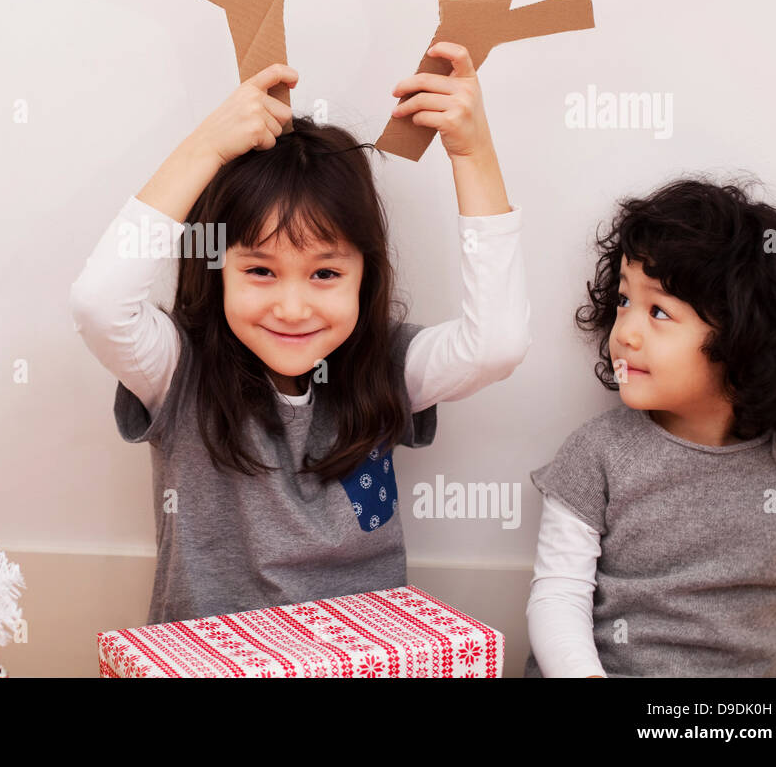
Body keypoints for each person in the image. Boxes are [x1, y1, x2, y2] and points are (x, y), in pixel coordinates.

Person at [69, 43, 532, 625]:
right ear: (215, 268)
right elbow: (97, 303)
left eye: (325, 274)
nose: (292, 307)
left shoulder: (385, 363)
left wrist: (474, 154)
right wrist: (204, 149)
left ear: (365, 276)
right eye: (260, 271)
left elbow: (497, 344)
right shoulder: (177, 369)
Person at [525, 177, 776, 677]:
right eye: (623, 301)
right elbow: (557, 599)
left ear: (746, 340)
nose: (625, 333)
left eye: (658, 310)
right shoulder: (598, 453)